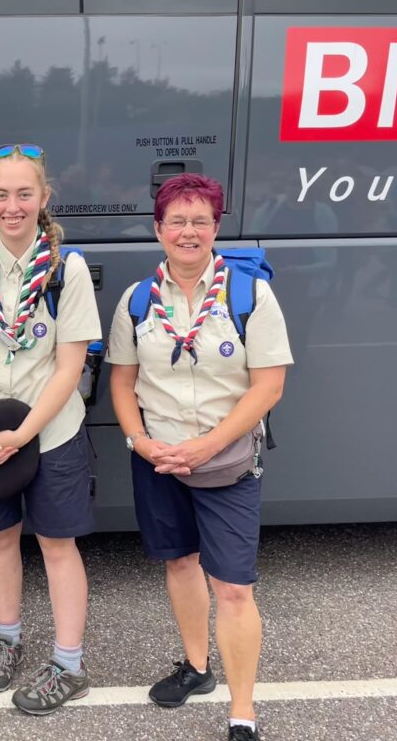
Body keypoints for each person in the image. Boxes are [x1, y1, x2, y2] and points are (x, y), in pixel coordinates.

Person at [106, 174, 292, 741]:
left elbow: (268, 386)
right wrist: (139, 440)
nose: (189, 232)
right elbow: (121, 380)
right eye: (177, 221)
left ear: (216, 227)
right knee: (180, 563)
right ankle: (195, 666)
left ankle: (242, 713)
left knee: (233, 587)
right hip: (159, 458)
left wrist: (208, 444)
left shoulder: (248, 295)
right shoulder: (137, 300)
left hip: (226, 460)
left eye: (201, 221)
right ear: (158, 230)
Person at [0, 144, 102, 715]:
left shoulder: (66, 268)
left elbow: (70, 367)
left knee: (56, 543)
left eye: (24, 193)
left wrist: (23, 433)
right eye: (1, 194)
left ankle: (69, 664)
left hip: (50, 432)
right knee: (0, 539)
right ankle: (8, 640)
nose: (12, 205)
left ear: (44, 198)